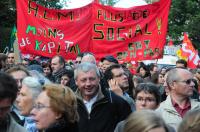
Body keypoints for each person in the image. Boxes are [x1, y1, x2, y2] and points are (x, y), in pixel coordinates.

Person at [75, 62, 131, 132]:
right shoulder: (69, 103)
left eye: (92, 79)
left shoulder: (116, 102)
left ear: (99, 79)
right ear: (76, 81)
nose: (88, 83)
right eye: (83, 80)